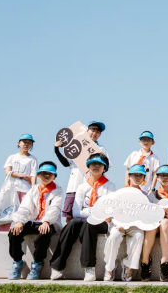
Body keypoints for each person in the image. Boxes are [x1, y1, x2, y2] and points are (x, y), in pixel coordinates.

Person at [50, 153, 116, 281]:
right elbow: (76, 212)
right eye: (93, 164)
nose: (96, 166)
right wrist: (95, 212)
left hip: (102, 223)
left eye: (100, 164)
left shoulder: (110, 186)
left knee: (88, 224)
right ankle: (57, 266)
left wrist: (89, 212)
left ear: (105, 168)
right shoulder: (82, 187)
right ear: (88, 167)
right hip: (86, 220)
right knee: (72, 224)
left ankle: (89, 267)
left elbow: (109, 211)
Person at [7, 161, 64, 280]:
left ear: (54, 176)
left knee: (45, 232)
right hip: (33, 221)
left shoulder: (58, 190)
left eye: (50, 174)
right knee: (13, 232)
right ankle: (17, 261)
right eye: (43, 173)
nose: (46, 176)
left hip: (49, 222)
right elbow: (25, 207)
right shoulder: (33, 190)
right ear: (38, 175)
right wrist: (19, 221)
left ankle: (37, 263)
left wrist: (46, 221)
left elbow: (55, 208)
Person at [55, 121, 110, 223]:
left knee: (89, 215)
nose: (94, 133)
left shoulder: (101, 149)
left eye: (98, 132)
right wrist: (57, 149)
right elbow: (66, 163)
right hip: (74, 185)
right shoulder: (75, 144)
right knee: (69, 216)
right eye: (92, 130)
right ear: (87, 130)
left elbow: (107, 166)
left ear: (100, 135)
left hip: (91, 187)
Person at [103, 164, 148, 282]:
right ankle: (109, 267)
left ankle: (128, 266)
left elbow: (146, 214)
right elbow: (111, 210)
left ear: (144, 178)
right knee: (113, 237)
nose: (137, 177)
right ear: (129, 176)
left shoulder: (145, 195)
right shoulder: (120, 192)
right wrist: (117, 222)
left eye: (140, 175)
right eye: (134, 175)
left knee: (139, 236)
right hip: (119, 225)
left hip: (135, 226)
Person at [141, 165, 168, 281]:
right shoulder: (151, 195)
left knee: (165, 222)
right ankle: (145, 262)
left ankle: (164, 261)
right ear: (157, 178)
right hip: (155, 224)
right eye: (161, 175)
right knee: (151, 225)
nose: (165, 178)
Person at [0, 134, 38, 232]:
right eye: (24, 142)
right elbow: (8, 172)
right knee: (6, 213)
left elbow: (33, 176)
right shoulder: (12, 157)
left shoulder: (33, 159)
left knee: (25, 213)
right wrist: (23, 176)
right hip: (11, 189)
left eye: (29, 143)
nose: (26, 145)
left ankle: (20, 234)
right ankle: (0, 234)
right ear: (19, 143)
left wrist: (33, 188)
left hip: (26, 190)